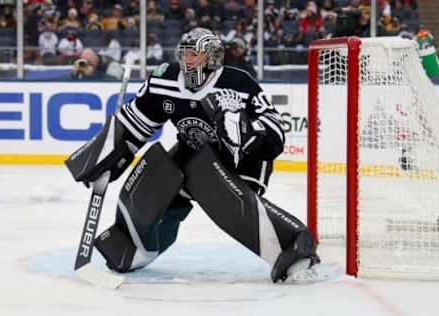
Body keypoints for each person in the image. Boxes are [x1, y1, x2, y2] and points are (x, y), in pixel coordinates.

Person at [65, 27, 320, 283]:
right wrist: (107, 155)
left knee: (208, 181)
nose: (187, 61)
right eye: (185, 54)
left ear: (212, 57)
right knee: (154, 175)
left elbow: (275, 131)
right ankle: (132, 245)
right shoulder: (165, 80)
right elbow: (133, 123)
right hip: (194, 152)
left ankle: (294, 247)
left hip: (244, 162)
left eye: (195, 55)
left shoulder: (239, 83)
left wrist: (244, 130)